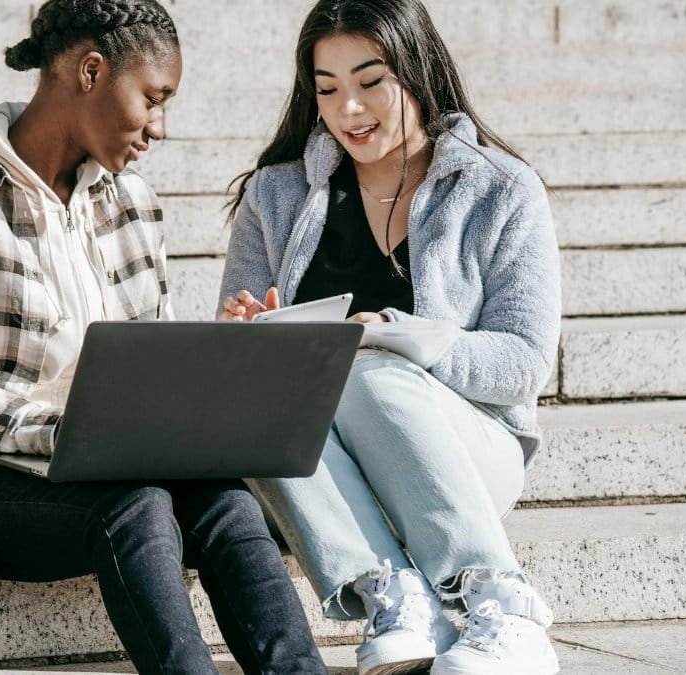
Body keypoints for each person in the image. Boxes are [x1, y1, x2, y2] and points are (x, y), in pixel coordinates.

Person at [0, 1, 326, 673]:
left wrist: (221, 356)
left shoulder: (130, 201)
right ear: (90, 70)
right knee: (134, 504)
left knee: (226, 499)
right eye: (153, 99)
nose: (159, 128)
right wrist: (46, 429)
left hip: (113, 460)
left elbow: (148, 363)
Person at [217, 1, 561, 674]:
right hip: (330, 469)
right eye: (327, 89)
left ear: (418, 68)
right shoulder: (275, 195)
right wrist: (243, 339)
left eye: (372, 81)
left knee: (364, 367)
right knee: (256, 395)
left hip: (461, 455)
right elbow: (239, 348)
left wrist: (397, 337)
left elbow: (521, 365)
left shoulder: (500, 189)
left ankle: (503, 602)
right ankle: (398, 598)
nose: (350, 108)